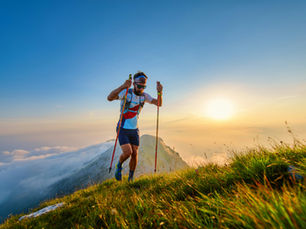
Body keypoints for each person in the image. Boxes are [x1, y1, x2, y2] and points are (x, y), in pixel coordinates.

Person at [107, 72, 163, 181]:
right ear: (133, 83)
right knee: (128, 152)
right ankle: (119, 166)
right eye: (139, 86)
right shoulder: (126, 92)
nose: (141, 88)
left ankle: (130, 178)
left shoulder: (144, 96)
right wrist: (123, 86)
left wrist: (160, 92)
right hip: (122, 128)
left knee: (135, 153)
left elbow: (159, 103)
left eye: (144, 86)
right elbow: (109, 98)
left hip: (134, 129)